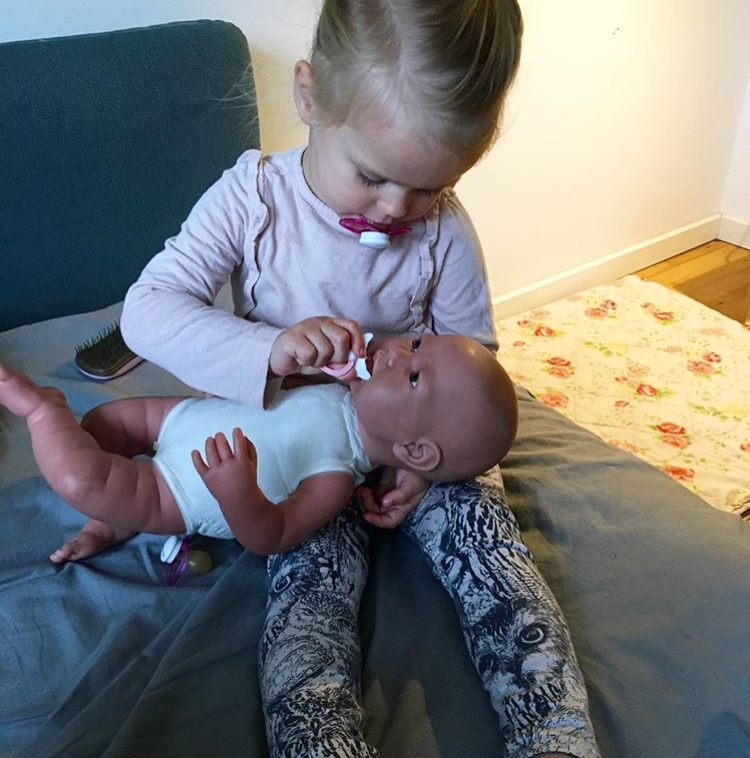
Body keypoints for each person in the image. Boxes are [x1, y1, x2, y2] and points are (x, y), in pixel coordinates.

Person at [119, 1, 601, 756]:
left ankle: (556, 735)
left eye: (430, 188)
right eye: (373, 176)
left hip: (413, 442)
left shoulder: (444, 229)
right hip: (301, 449)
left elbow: (469, 358)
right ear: (310, 97)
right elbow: (146, 312)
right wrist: (272, 346)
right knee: (308, 609)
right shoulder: (254, 199)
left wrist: (427, 467)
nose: (396, 211)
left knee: (494, 560)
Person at [0, 334, 518, 560]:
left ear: (416, 453)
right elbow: (277, 378)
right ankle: (113, 520)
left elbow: (271, 536)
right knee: (104, 423)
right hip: (177, 420)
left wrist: (237, 492)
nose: (396, 351)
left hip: (177, 488)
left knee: (83, 479)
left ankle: (43, 409)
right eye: (417, 343)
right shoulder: (339, 387)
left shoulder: (336, 475)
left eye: (412, 375)